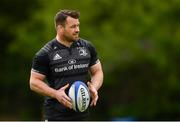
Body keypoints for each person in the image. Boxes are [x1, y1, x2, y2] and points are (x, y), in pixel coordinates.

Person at [29, 9, 104, 120]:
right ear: (60, 28)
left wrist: (94, 86)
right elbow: (34, 82)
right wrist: (56, 94)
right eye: (73, 27)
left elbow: (97, 72)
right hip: (56, 115)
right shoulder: (45, 53)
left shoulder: (87, 47)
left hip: (81, 114)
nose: (77, 30)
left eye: (78, 25)